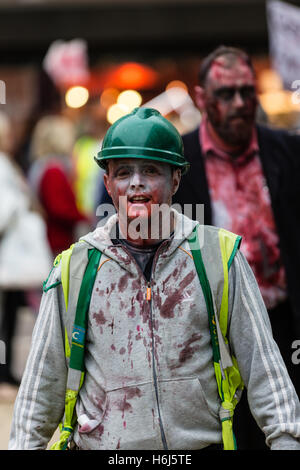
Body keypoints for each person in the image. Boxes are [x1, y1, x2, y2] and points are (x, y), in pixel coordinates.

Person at [9, 108, 300, 451]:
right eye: (123, 172)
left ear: (175, 180)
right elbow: (40, 391)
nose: (136, 183)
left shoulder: (218, 256)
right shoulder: (75, 268)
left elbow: (266, 370)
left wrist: (286, 440)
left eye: (150, 170)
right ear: (107, 183)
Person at [173, 45, 300, 448]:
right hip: (217, 338)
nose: (240, 103)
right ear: (201, 99)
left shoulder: (288, 151)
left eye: (248, 91)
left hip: (287, 327)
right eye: (226, 94)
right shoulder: (179, 160)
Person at [28, 115, 90, 257]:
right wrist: (83, 217)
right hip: (58, 241)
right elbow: (58, 207)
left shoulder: (42, 166)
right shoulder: (53, 169)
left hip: (54, 239)